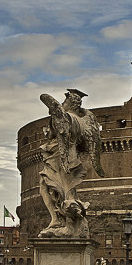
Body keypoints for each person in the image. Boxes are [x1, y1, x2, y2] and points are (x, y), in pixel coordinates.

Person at [37, 89, 103, 238]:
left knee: (46, 186)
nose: (62, 103)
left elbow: (57, 129)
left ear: (69, 103)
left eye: (64, 102)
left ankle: (56, 220)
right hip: (72, 158)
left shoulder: (67, 117)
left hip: (58, 156)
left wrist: (54, 109)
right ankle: (68, 223)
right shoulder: (84, 121)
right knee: (68, 192)